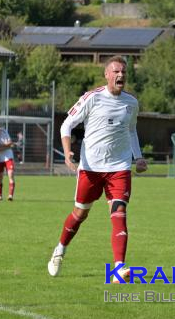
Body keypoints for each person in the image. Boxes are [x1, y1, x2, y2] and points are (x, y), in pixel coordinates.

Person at [47, 55, 148, 282]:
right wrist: (67, 153)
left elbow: (131, 130)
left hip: (119, 167)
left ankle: (119, 268)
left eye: (123, 72)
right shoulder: (91, 98)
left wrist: (138, 157)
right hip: (91, 168)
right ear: (106, 74)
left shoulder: (131, 102)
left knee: (119, 213)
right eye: (116, 71)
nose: (120, 75)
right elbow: (67, 124)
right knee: (80, 214)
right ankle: (60, 250)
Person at [0, 126, 16, 201]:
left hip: (8, 157)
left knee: (11, 174)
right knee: (0, 177)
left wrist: (3, 146)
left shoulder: (4, 131)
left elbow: (11, 143)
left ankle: (10, 195)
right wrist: (7, 146)